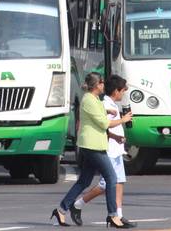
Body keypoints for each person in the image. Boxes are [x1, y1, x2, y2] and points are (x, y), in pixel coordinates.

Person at [51, 72, 133, 228]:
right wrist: (123, 119)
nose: (104, 85)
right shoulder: (89, 100)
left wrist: (107, 113)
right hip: (93, 146)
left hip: (94, 145)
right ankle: (113, 216)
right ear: (97, 85)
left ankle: (61, 210)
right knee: (111, 178)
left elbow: (97, 117)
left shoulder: (94, 99)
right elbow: (103, 124)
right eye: (102, 83)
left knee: (84, 181)